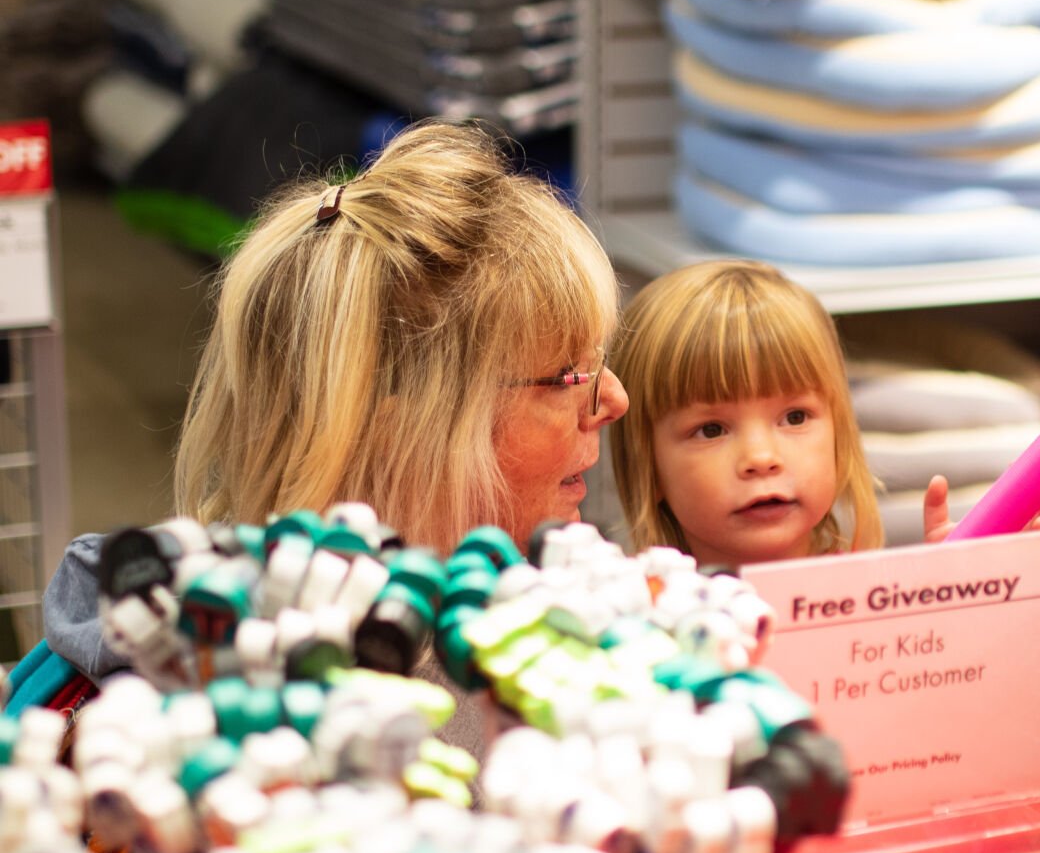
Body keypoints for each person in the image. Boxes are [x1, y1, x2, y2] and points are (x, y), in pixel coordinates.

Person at [20, 119, 629, 736]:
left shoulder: (541, 627)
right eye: (567, 375)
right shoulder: (264, 732)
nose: (616, 398)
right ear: (396, 427)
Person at [609, 260, 884, 569]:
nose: (761, 458)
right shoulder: (638, 614)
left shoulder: (877, 597)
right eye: (711, 430)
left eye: (795, 417)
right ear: (647, 462)